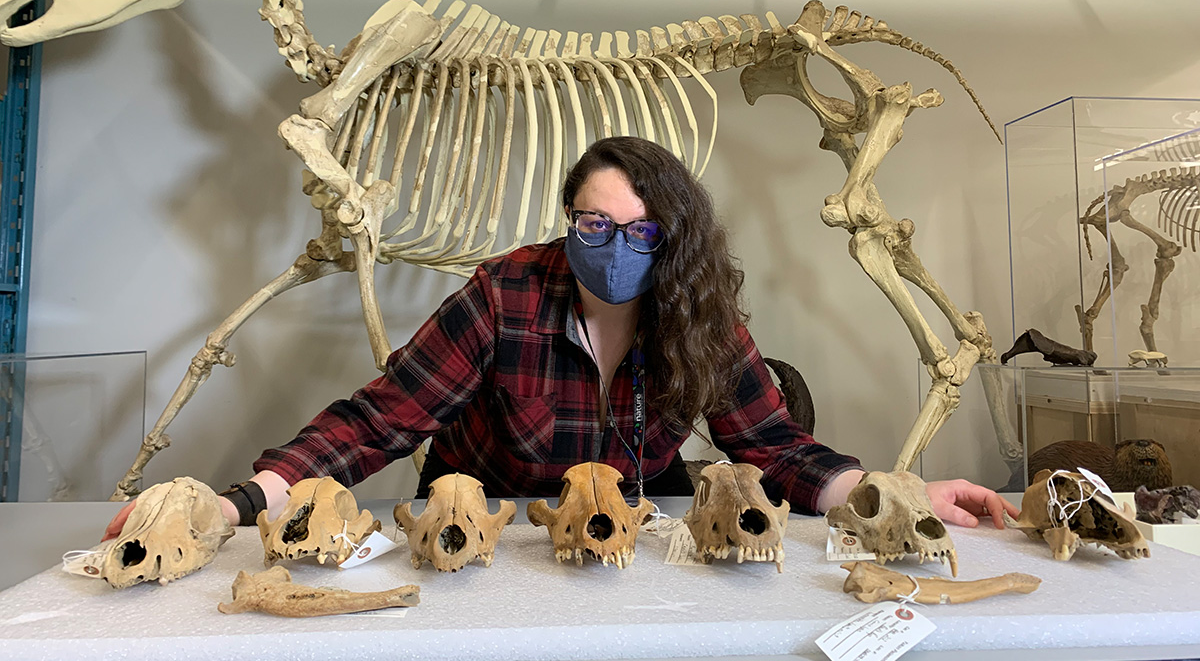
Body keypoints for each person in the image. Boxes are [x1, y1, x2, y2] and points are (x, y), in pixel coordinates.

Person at [106, 136, 1016, 539]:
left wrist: (895, 496)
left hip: (635, 519)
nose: (613, 249)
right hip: (490, 517)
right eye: (592, 224)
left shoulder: (700, 312)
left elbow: (771, 446)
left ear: (674, 236)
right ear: (567, 221)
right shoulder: (506, 292)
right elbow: (380, 420)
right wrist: (239, 501)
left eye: (639, 231)